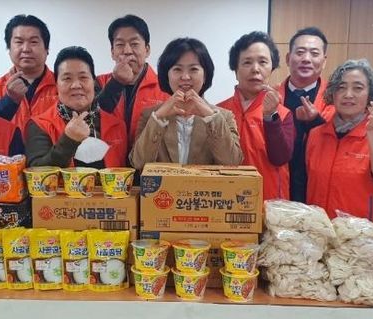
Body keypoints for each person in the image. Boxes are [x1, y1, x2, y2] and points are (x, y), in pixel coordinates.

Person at [305, 59, 373, 228]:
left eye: (358, 88)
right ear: (332, 94)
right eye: (341, 87)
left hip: (363, 236)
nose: (348, 94)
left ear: (370, 95)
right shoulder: (315, 135)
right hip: (320, 232)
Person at [130, 38, 242, 170]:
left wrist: (210, 116)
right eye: (177, 69)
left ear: (205, 75)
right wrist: (159, 118)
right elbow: (138, 164)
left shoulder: (223, 117)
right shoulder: (151, 115)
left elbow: (232, 163)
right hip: (163, 185)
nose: (185, 77)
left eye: (193, 69)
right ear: (167, 76)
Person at [218, 32, 295, 200]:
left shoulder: (283, 114)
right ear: (235, 70)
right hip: (225, 202)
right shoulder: (219, 112)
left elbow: (280, 158)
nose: (255, 69)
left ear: (272, 68)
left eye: (263, 62)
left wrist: (270, 116)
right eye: (247, 62)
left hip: (268, 204)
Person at [25, 46, 127, 168]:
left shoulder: (117, 125)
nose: (76, 85)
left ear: (93, 82)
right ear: (56, 85)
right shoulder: (40, 124)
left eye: (83, 77)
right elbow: (36, 172)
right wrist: (68, 140)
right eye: (67, 78)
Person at [97, 14, 169, 153]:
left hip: (149, 162)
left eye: (134, 44)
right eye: (120, 45)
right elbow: (92, 117)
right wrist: (116, 83)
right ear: (112, 52)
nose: (127, 51)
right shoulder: (99, 82)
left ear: (147, 50)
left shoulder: (165, 87)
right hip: (110, 163)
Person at [278, 27, 331, 202]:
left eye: (314, 54)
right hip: (278, 188)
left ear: (324, 61)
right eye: (300, 52)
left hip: (320, 191)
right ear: (288, 58)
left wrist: (315, 121)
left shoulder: (336, 100)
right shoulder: (270, 98)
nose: (306, 59)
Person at [0, 15, 58, 133]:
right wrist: (10, 100)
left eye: (33, 42)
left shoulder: (61, 84)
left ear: (47, 49)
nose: (26, 49)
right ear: (9, 49)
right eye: (19, 42)